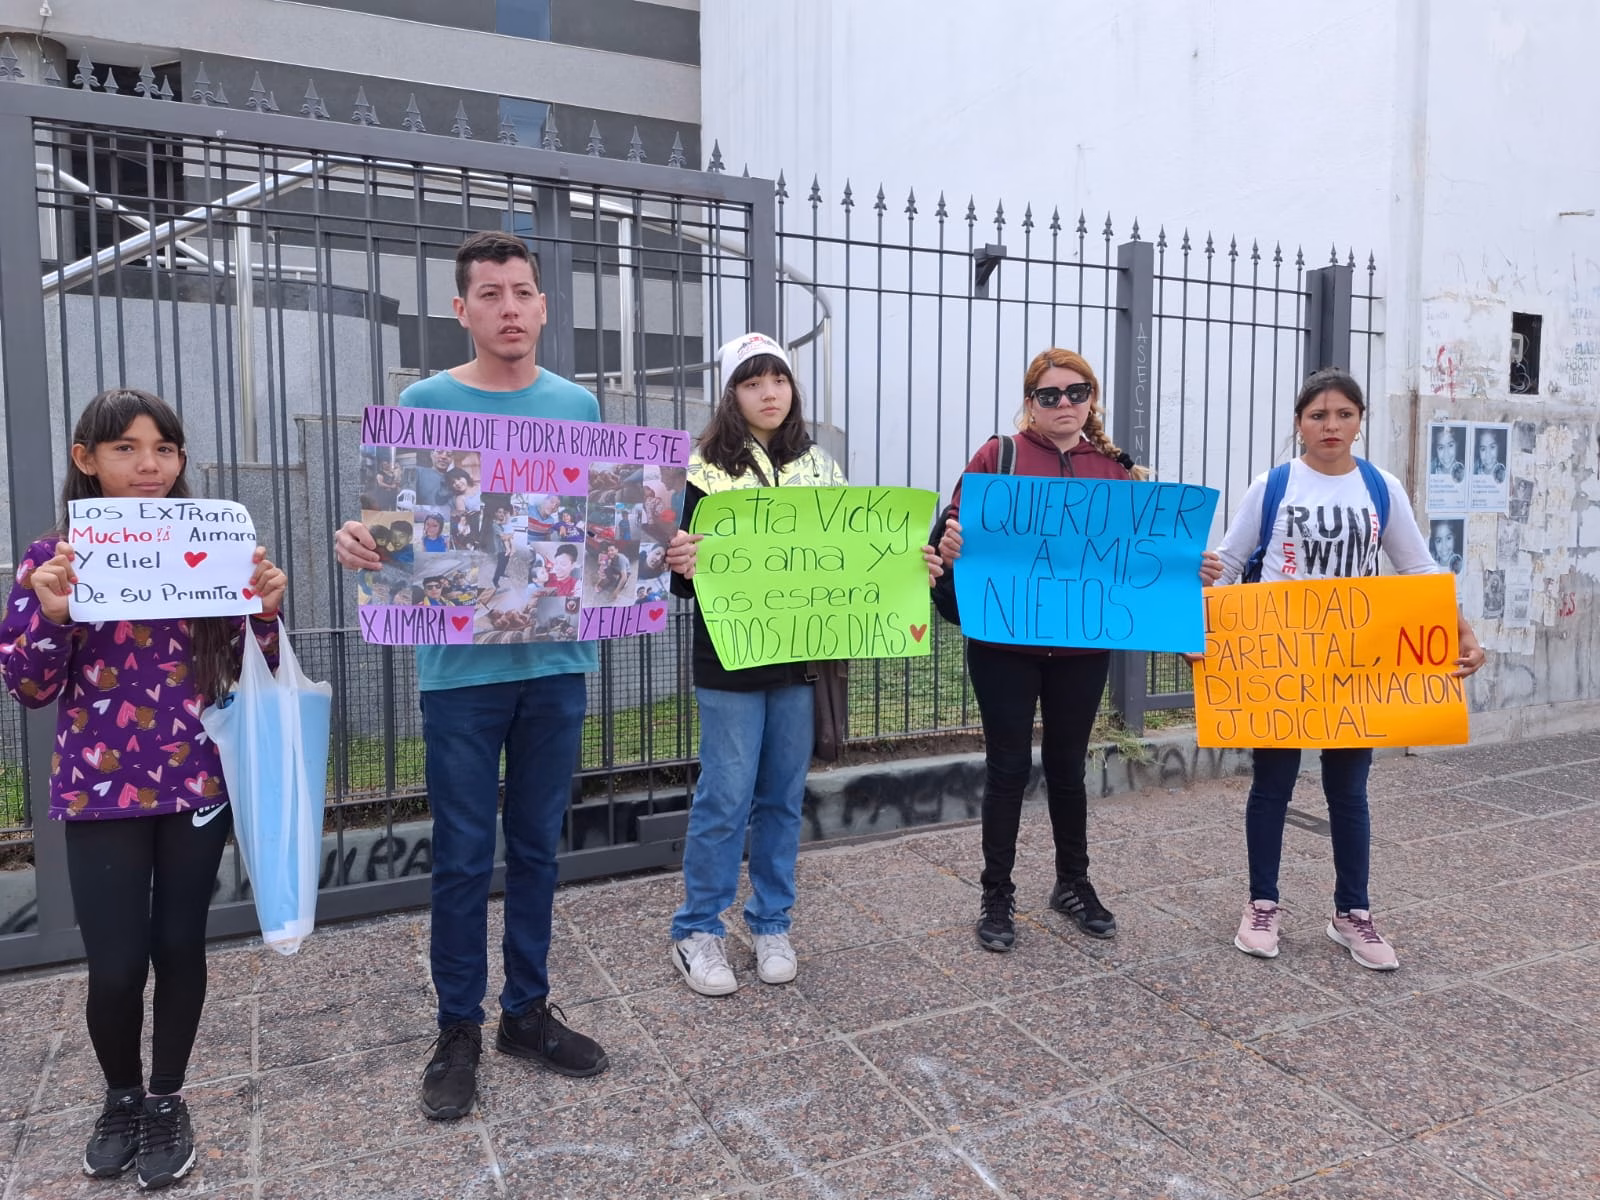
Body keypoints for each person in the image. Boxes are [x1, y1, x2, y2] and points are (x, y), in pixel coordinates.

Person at [334, 230, 609, 1121]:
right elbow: (401, 540)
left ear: (542, 304)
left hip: (557, 665)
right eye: (489, 294)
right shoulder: (424, 403)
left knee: (535, 849)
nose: (509, 308)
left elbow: (604, 531)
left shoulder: (578, 406)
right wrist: (362, 545)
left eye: (523, 292)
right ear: (462, 310)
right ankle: (458, 1027)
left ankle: (524, 1013)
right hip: (458, 675)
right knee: (461, 858)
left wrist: (658, 548)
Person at [0, 388, 286, 1190]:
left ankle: (166, 1098)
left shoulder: (218, 545)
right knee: (117, 965)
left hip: (197, 779)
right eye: (125, 449)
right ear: (85, 461)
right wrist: (54, 613)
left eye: (164, 447)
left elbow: (248, 664)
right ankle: (120, 1095)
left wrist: (264, 612)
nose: (149, 465)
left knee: (178, 945)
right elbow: (27, 686)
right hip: (100, 791)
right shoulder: (51, 559)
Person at [664, 332, 942, 995]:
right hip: (730, 660)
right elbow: (682, 579)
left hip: (800, 660)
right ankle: (697, 929)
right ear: (731, 395)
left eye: (779, 380)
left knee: (782, 798)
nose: (769, 393)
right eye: (753, 382)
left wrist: (913, 568)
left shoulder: (821, 467)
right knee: (725, 797)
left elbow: (854, 558)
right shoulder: (703, 469)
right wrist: (679, 562)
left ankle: (771, 921)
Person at [933, 348, 1221, 952]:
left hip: (1082, 647)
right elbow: (950, 532)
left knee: (1068, 768)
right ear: (1030, 402)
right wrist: (950, 539)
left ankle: (1072, 883)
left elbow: (1146, 556)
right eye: (1049, 394)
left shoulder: (1118, 472)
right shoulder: (999, 456)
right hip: (1004, 642)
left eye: (1075, 392)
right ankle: (996, 894)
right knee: (1007, 769)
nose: (1063, 404)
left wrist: (1189, 568)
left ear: (1092, 397)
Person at [1211, 367, 1485, 970]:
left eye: (1343, 414)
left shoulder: (1381, 487)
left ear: (1359, 421)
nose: (1330, 426)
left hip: (1354, 664)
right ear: (1299, 423)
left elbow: (1418, 568)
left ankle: (1352, 913)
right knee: (1272, 786)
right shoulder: (1274, 485)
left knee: (1349, 792)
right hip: (1279, 658)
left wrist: (1461, 628)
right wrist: (1201, 627)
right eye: (1318, 415)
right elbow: (1227, 564)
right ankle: (1262, 905)